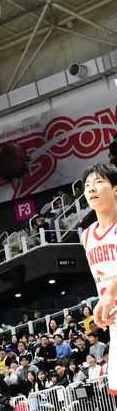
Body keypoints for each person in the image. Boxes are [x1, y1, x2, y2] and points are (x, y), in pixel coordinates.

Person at [81, 162, 117, 398]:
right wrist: (104, 302)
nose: (91, 188)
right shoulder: (86, 236)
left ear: (115, 189)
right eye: (87, 185)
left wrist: (109, 294)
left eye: (99, 182)